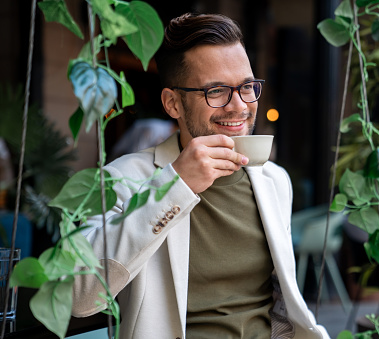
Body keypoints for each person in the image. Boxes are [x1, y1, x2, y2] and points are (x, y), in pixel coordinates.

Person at [71, 12, 330, 339]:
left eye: (247, 87)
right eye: (217, 91)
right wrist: (175, 186)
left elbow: (280, 308)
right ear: (173, 103)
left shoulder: (273, 180)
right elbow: (80, 296)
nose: (239, 106)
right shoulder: (123, 178)